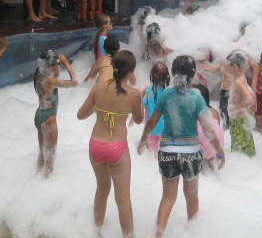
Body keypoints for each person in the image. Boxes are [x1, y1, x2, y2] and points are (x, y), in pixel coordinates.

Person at [137, 55, 225, 238]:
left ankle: (159, 233)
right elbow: (208, 129)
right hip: (190, 154)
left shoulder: (166, 96)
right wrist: (219, 150)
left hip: (167, 152)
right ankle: (193, 232)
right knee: (191, 196)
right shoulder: (196, 98)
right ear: (193, 75)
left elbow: (151, 122)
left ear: (172, 72)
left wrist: (143, 140)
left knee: (168, 197)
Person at [77, 50, 143, 238]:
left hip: (95, 145)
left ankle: (96, 231)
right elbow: (138, 120)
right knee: (122, 199)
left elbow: (80, 115)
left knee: (101, 190)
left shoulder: (98, 87)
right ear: (131, 71)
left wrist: (100, 107)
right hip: (117, 148)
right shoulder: (134, 94)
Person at [33, 50, 78, 177]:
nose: (59, 67)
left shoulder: (38, 75)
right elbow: (76, 82)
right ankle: (46, 181)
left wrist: (57, 65)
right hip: (49, 119)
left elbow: (54, 76)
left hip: (39, 115)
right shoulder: (50, 81)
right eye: (57, 65)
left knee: (42, 152)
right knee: (50, 157)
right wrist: (67, 65)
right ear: (51, 66)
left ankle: (35, 175)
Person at [227, 51, 256, 157]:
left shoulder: (238, 82)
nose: (226, 68)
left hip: (238, 121)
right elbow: (251, 96)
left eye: (227, 65)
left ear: (234, 67)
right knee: (246, 147)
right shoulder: (241, 78)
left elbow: (249, 100)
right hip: (242, 119)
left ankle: (240, 170)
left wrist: (236, 107)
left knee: (238, 149)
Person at [192, 84, 225, 170]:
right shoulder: (214, 111)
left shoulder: (193, 113)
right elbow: (217, 128)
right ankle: (212, 166)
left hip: (205, 145)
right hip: (219, 145)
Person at [142, 62, 170, 153]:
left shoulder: (149, 91)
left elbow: (141, 104)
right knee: (164, 149)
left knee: (152, 150)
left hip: (151, 129)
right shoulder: (168, 93)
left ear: (152, 76)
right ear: (167, 78)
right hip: (164, 130)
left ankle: (151, 161)